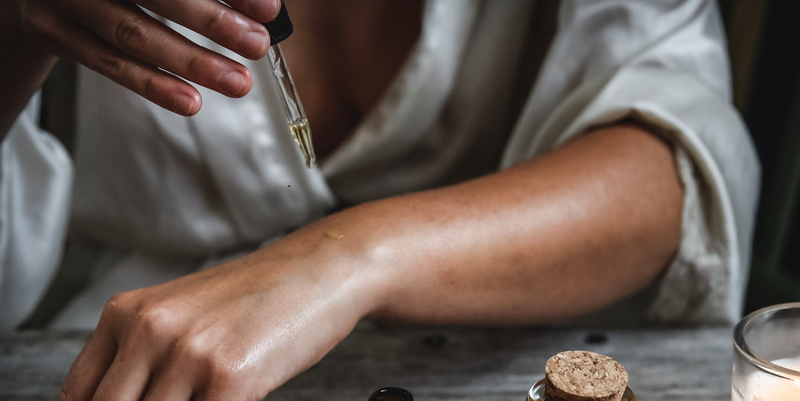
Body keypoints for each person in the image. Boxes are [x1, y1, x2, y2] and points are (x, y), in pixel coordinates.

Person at [1, 0, 759, 400]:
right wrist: (15, 29)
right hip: (101, 349)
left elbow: (673, 159)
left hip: (478, 351)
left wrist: (344, 258)